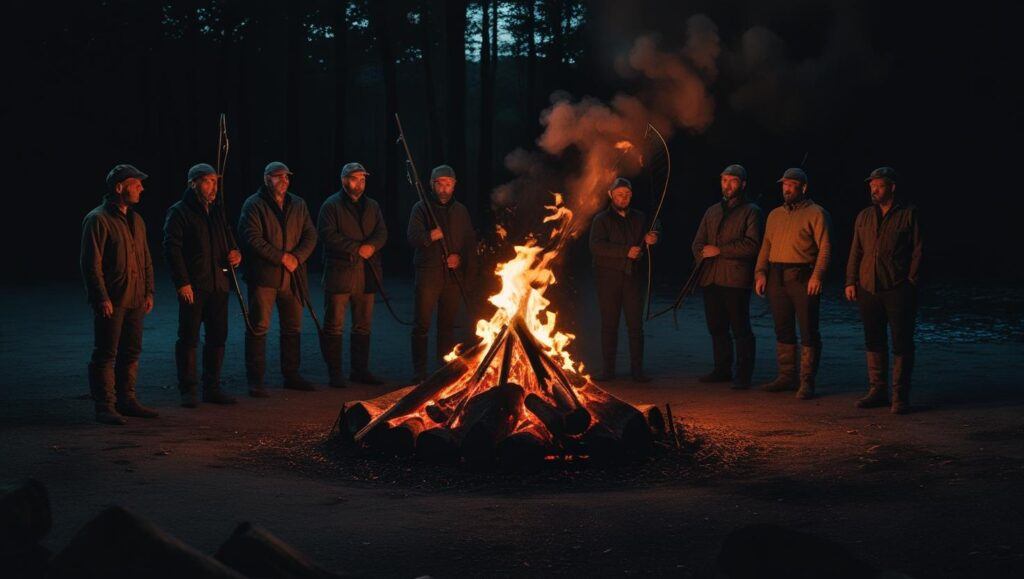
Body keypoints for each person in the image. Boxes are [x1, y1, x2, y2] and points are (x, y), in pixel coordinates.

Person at [80, 164, 159, 425]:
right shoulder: (98, 219)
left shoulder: (136, 220)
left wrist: (148, 291)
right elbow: (91, 264)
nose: (141, 188)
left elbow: (146, 258)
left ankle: (127, 400)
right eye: (136, 184)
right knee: (106, 352)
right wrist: (101, 297)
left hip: (135, 298)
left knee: (131, 350)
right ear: (119, 187)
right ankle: (105, 406)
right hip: (113, 300)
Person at [163, 163, 241, 407]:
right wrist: (182, 282)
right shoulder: (180, 212)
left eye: (215, 182)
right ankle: (188, 389)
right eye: (207, 181)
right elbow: (171, 249)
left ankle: (212, 387)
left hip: (219, 283)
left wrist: (236, 254)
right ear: (193, 183)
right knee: (189, 337)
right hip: (195, 285)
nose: (213, 186)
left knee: (218, 336)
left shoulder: (217, 211)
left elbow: (229, 242)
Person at [845, 167, 922, 414]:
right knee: (873, 339)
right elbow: (856, 250)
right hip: (869, 286)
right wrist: (850, 280)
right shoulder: (864, 216)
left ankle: (900, 396)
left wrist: (911, 280)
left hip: (897, 287)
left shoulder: (909, 214)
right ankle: (878, 391)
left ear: (892, 187)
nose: (874, 190)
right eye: (871, 187)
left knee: (901, 341)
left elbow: (919, 249)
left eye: (878, 186)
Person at [238, 161, 318, 396]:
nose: (283, 180)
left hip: (292, 275)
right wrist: (281, 257)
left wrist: (297, 257)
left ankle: (291, 374)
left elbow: (310, 234)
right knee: (259, 326)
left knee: (292, 326)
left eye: (286, 177)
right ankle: (256, 380)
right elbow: (251, 237)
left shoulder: (298, 203)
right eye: (277, 176)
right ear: (266, 179)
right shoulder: (254, 204)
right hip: (265, 275)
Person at [754, 168, 832, 399]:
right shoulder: (774, 214)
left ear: (803, 187)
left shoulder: (817, 213)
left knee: (808, 329)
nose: (786, 189)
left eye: (791, 185)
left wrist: (817, 276)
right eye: (784, 185)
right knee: (783, 327)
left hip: (802, 275)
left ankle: (807, 381)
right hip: (777, 276)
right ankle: (787, 377)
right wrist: (760, 272)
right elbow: (766, 246)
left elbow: (825, 248)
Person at [691, 164, 764, 388]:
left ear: (742, 184)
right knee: (716, 326)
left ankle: (743, 376)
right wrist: (702, 255)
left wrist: (720, 250)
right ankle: (722, 369)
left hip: (735, 279)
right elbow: (697, 242)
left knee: (740, 328)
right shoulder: (712, 211)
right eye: (724, 180)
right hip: (711, 277)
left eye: (733, 181)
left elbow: (752, 245)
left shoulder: (752, 211)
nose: (728, 185)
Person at [317, 162, 387, 388]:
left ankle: (360, 370)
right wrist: (357, 248)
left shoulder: (373, 206)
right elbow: (327, 235)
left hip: (367, 273)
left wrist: (372, 247)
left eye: (363, 179)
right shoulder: (331, 205)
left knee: (362, 325)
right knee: (334, 325)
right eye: (355, 178)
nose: (360, 183)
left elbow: (382, 232)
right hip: (340, 273)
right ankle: (335, 373)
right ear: (344, 180)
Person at [407, 165, 476, 382]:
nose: (444, 188)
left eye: (448, 183)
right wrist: (430, 236)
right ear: (432, 184)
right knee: (422, 324)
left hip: (452, 278)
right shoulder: (421, 208)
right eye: (440, 183)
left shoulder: (461, 211)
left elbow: (468, 243)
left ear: (454, 185)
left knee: (446, 325)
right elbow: (412, 237)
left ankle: (442, 370)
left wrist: (460, 260)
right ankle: (419, 372)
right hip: (428, 275)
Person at [588, 177, 660, 382]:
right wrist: (625, 251)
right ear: (611, 195)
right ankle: (608, 371)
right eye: (620, 194)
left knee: (635, 325)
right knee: (610, 325)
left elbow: (655, 228)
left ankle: (637, 371)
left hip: (633, 279)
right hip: (608, 278)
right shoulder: (601, 220)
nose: (624, 197)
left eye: (627, 194)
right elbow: (596, 247)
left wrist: (654, 237)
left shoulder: (639, 217)